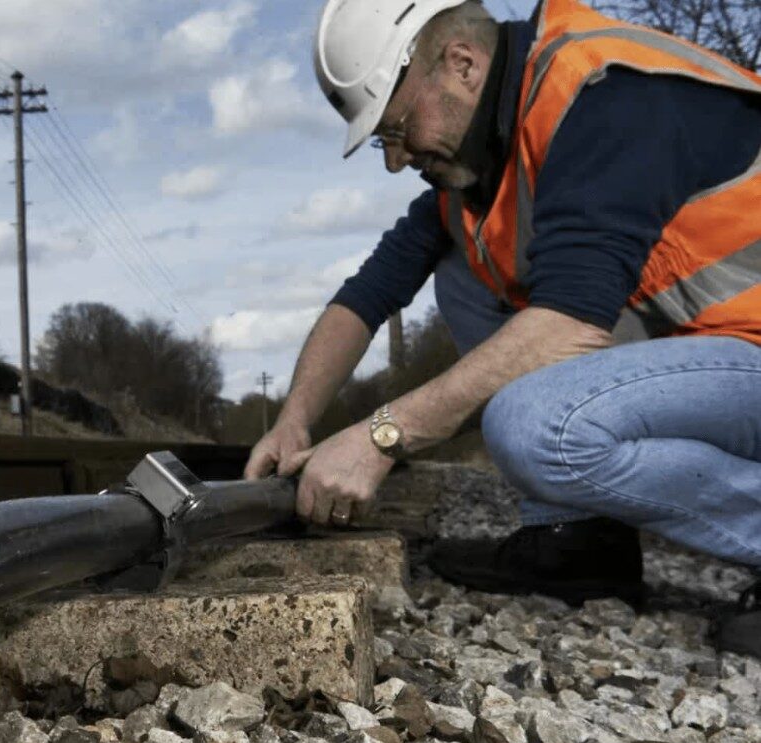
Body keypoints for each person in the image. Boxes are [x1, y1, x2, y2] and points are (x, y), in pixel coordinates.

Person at [244, 0, 761, 656]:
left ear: (461, 65)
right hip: (733, 352)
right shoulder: (493, 163)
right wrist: (295, 417)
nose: (394, 161)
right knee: (465, 265)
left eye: (396, 127)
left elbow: (567, 326)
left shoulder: (599, 93)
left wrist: (380, 438)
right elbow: (365, 298)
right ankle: (576, 540)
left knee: (537, 425)